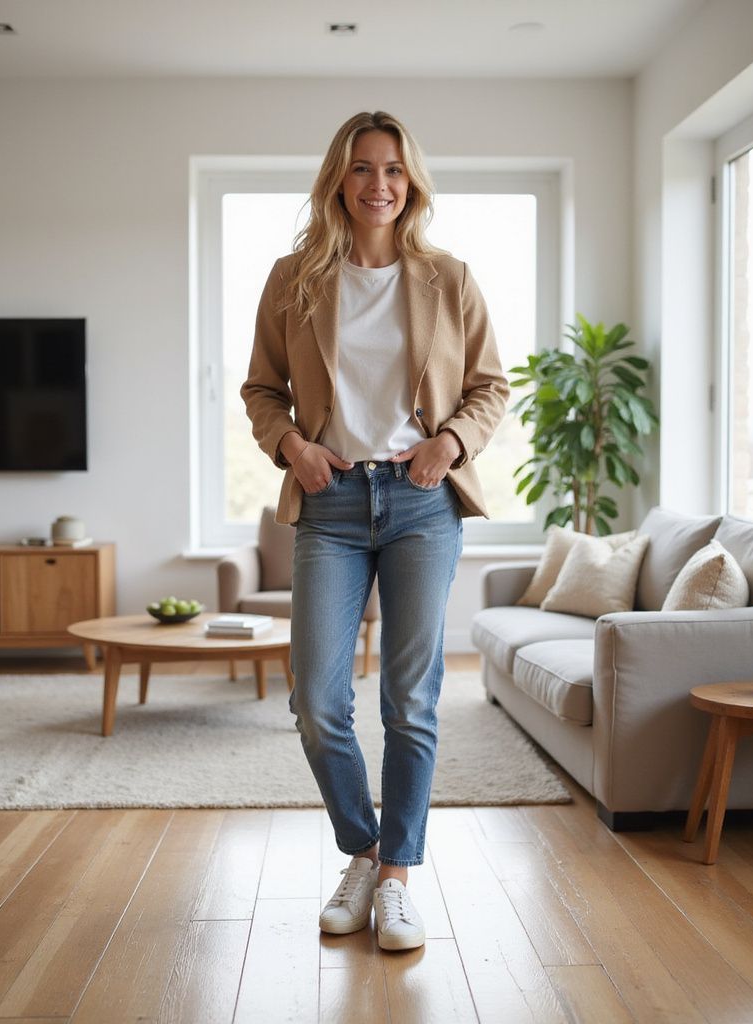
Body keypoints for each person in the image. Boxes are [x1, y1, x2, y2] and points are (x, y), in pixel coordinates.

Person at [241, 110, 508, 951]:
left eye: (393, 169)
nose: (379, 184)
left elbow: (491, 387)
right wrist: (291, 446)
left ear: (411, 181)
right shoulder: (294, 279)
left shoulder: (449, 278)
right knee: (317, 700)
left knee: (409, 701)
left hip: (423, 504)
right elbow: (259, 390)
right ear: (338, 180)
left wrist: (451, 441)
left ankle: (396, 879)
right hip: (332, 503)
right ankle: (361, 848)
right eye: (362, 168)